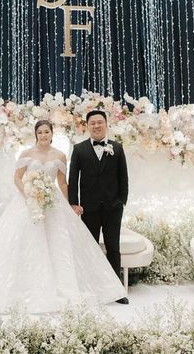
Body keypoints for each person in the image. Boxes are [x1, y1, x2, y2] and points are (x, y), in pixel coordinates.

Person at [0, 120, 126, 314]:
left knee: (58, 245)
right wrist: (28, 193)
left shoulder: (60, 155)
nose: (43, 135)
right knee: (22, 243)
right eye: (40, 132)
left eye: (46, 132)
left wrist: (70, 204)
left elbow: (62, 183)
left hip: (52, 203)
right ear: (36, 134)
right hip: (28, 201)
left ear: (52, 134)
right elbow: (17, 177)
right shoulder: (26, 154)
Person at [68, 110, 129, 304]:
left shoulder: (117, 148)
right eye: (92, 123)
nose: (96, 126)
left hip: (113, 208)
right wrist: (74, 203)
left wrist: (121, 201)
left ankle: (117, 291)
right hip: (89, 209)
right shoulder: (79, 149)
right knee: (90, 249)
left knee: (113, 249)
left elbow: (123, 177)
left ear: (106, 124)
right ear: (87, 126)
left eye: (99, 122)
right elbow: (73, 178)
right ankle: (90, 289)